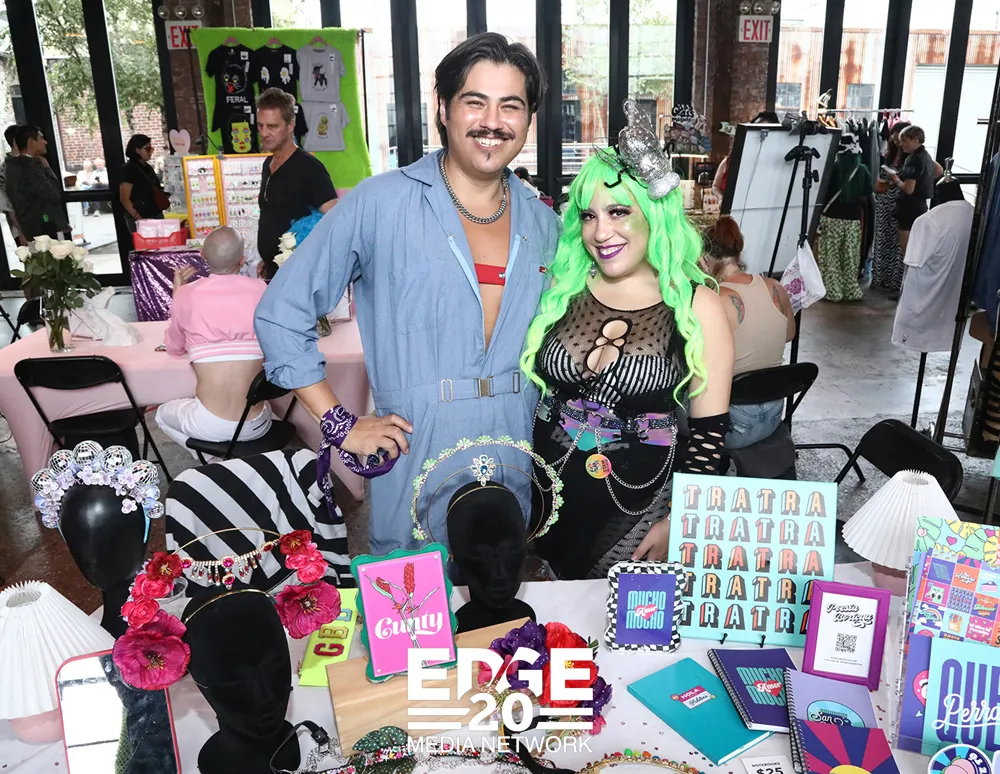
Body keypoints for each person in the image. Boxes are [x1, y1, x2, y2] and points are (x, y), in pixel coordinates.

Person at [254, 33, 558, 555]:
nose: (492, 121)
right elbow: (282, 313)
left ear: (529, 119)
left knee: (498, 592)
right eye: (475, 102)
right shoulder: (381, 203)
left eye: (511, 105)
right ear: (443, 108)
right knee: (413, 596)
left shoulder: (545, 224)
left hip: (512, 452)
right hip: (416, 450)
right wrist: (338, 423)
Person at [521, 122, 735, 581]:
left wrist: (678, 519)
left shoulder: (695, 304)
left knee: (620, 620)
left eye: (618, 211)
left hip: (638, 512)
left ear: (653, 214)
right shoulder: (564, 287)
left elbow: (709, 435)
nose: (601, 232)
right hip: (546, 501)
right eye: (589, 215)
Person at [155, 226, 272, 453]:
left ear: (202, 255)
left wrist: (178, 295)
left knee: (161, 414)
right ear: (242, 260)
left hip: (209, 425)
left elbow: (174, 347)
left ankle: (215, 462)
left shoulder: (187, 294)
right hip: (259, 425)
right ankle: (234, 461)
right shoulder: (261, 289)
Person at [700, 216, 795, 449]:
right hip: (774, 416)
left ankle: (664, 460)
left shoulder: (714, 299)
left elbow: (694, 357)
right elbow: (789, 334)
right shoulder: (775, 287)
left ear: (704, 259)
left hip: (732, 426)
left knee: (664, 399)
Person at [256, 87, 338, 279]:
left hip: (300, 275)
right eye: (260, 125)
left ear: (290, 125)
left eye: (272, 126)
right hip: (274, 273)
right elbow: (274, 216)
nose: (265, 133)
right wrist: (268, 258)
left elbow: (335, 220)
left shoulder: (309, 167)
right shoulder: (268, 164)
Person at [892, 182, 974, 353]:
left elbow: (912, 261)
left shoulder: (927, 221)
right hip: (956, 309)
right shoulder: (976, 215)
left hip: (923, 311)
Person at [816, 133, 873, 302]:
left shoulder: (832, 168)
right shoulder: (863, 171)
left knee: (830, 257)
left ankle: (833, 291)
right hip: (853, 220)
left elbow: (822, 194)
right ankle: (851, 290)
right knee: (850, 256)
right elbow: (866, 197)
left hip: (831, 218)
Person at [5, 125, 68, 240]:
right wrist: (47, 169)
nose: (45, 142)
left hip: (34, 227)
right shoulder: (29, 166)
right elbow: (53, 194)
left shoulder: (12, 165)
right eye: (41, 138)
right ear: (31, 141)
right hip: (42, 228)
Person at [871, 120, 910, 294]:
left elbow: (935, 171)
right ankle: (880, 278)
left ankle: (895, 281)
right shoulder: (890, 155)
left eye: (898, 140)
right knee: (882, 239)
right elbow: (879, 182)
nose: (896, 143)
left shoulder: (912, 159)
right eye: (893, 139)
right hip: (884, 202)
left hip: (899, 203)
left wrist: (894, 181)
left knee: (897, 242)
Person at [887, 125, 935, 259]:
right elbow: (938, 170)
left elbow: (908, 189)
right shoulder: (926, 156)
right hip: (921, 207)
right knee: (916, 247)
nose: (900, 144)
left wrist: (895, 178)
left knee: (907, 251)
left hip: (908, 209)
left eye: (904, 140)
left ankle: (908, 273)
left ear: (916, 140)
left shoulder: (913, 159)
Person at [120, 134, 168, 229]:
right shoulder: (128, 169)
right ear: (137, 150)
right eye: (147, 149)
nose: (151, 151)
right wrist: (138, 218)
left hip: (155, 212)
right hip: (141, 215)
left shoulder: (147, 167)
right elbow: (125, 198)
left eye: (151, 148)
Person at [0, 124, 25, 246]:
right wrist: (22, 232)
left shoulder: (31, 162)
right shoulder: (4, 170)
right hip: (22, 229)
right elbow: (9, 207)